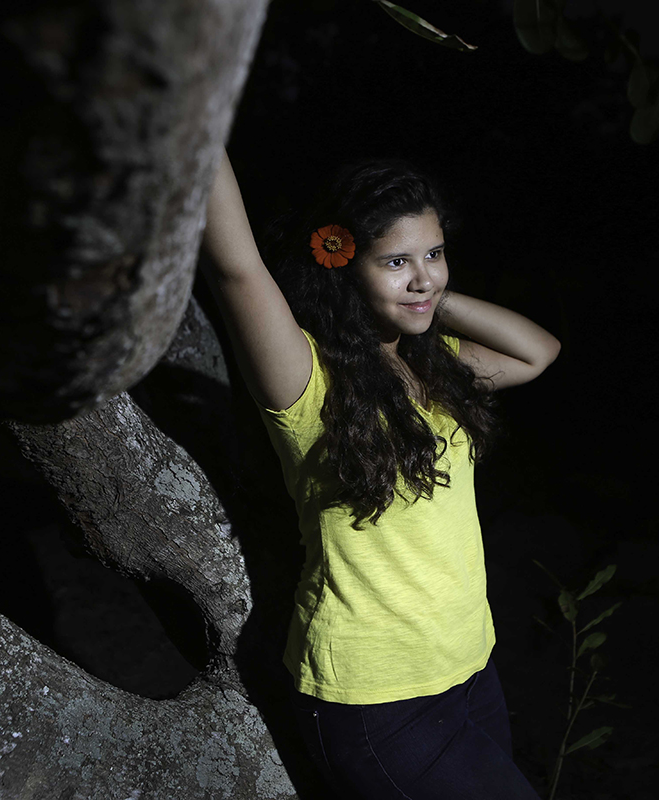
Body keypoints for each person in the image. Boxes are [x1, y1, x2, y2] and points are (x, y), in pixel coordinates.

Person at [201, 150, 560, 799]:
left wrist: (425, 295)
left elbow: (537, 352)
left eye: (435, 254)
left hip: (470, 669)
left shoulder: (442, 366)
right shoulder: (308, 382)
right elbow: (236, 269)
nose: (423, 276)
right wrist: (196, 118)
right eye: (396, 261)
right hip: (378, 702)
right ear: (343, 266)